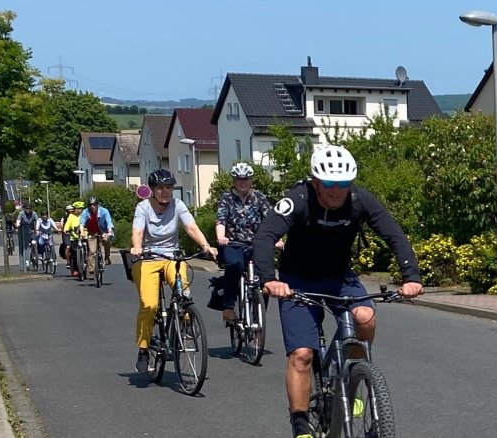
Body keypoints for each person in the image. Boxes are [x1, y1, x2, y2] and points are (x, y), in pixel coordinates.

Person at [253, 145, 424, 438]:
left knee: (366, 318)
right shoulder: (298, 199)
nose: (336, 191)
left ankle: (353, 377)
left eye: (343, 184)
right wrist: (270, 279)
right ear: (315, 181)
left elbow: (393, 234)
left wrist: (412, 277)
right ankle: (301, 426)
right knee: (303, 355)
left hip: (339, 278)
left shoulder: (359, 199)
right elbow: (266, 235)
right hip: (297, 281)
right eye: (330, 184)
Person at [130, 169, 217, 374]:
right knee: (149, 304)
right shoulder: (142, 208)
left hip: (172, 257)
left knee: (184, 292)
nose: (165, 192)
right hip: (148, 258)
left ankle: (185, 321)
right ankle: (143, 349)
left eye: (169, 187)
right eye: (161, 188)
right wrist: (137, 247)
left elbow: (191, 227)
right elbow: (138, 231)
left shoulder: (178, 205)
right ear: (152, 190)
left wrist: (206, 246)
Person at [215, 162, 273, 323]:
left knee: (264, 276)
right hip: (233, 243)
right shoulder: (226, 198)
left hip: (257, 244)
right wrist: (221, 237)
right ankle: (228, 306)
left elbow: (271, 220)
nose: (243, 182)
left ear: (251, 180)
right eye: (239, 179)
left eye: (246, 179)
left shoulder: (259, 197)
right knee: (234, 265)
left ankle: (258, 316)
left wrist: (277, 239)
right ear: (234, 180)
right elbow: (221, 220)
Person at [78, 196, 115, 276]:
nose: (92, 207)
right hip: (92, 233)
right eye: (90, 205)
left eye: (94, 205)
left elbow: (109, 223)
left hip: (103, 232)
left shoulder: (104, 211)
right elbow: (82, 224)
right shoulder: (85, 212)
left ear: (97, 205)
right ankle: (91, 269)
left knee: (105, 240)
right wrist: (82, 233)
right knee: (92, 251)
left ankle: (107, 257)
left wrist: (109, 232)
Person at [62, 202, 84, 277]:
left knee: (89, 252)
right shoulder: (71, 216)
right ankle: (75, 269)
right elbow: (67, 224)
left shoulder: (84, 216)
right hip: (74, 238)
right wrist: (66, 229)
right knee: (74, 254)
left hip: (84, 237)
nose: (79, 210)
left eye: (81, 209)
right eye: (78, 209)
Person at [15, 204, 40, 269]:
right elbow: (18, 220)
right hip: (23, 232)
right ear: (24, 209)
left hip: (31, 231)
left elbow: (37, 220)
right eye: (27, 208)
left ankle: (34, 253)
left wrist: (37, 228)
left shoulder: (34, 213)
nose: (28, 210)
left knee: (34, 242)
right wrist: (18, 225)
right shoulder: (21, 213)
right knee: (26, 246)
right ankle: (26, 261)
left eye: (29, 208)